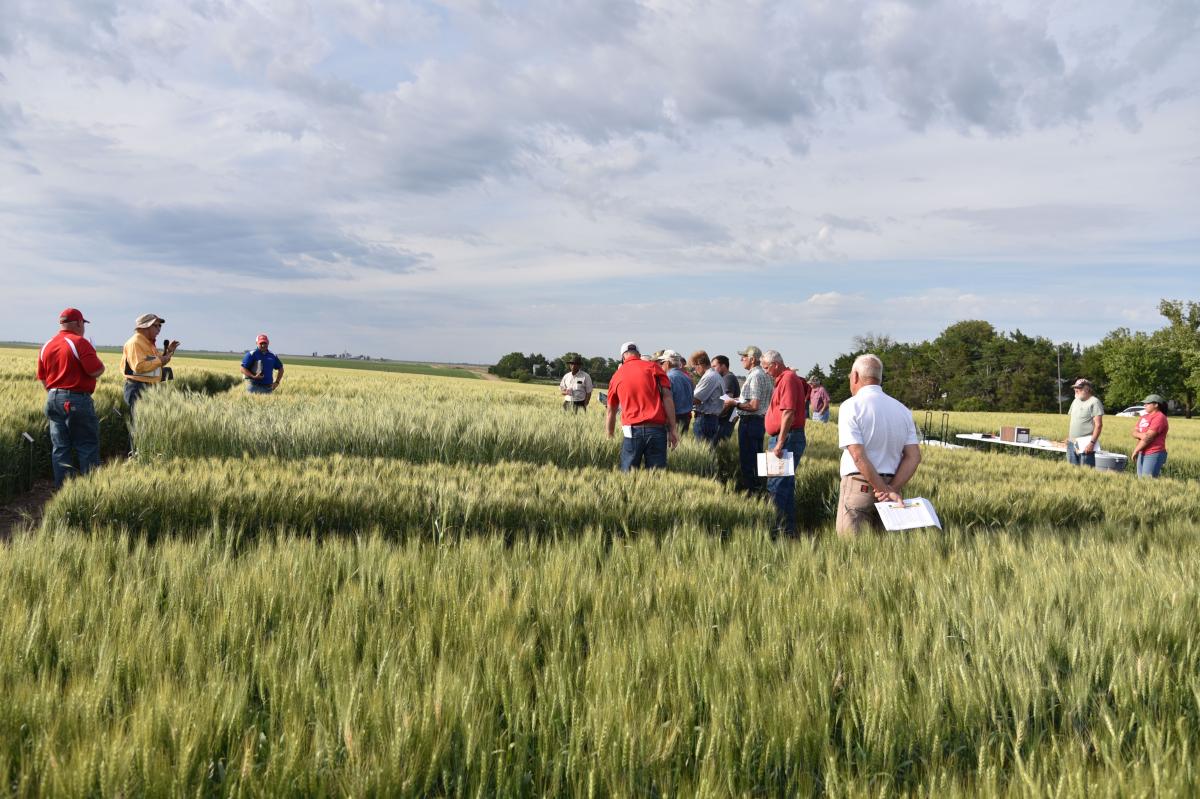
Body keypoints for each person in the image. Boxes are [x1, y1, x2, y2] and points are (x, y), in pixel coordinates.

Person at [836, 353, 922, 537]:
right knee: (885, 555)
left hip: (859, 486)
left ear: (856, 376)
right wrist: (891, 490)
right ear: (879, 378)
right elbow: (914, 456)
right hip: (892, 491)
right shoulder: (903, 410)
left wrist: (882, 489)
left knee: (851, 553)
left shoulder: (851, 406)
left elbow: (858, 456)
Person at [36, 308, 106, 488]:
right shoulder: (80, 343)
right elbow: (95, 370)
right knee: (86, 445)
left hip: (52, 399)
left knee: (60, 448)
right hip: (76, 400)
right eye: (83, 324)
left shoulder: (47, 345)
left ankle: (63, 492)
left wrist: (57, 394)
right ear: (78, 323)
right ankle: (90, 491)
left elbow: (43, 378)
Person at [606, 341, 679, 471]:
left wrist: (610, 434)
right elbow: (667, 397)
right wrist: (673, 428)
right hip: (657, 430)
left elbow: (611, 410)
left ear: (623, 357)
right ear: (639, 355)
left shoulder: (616, 376)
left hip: (632, 431)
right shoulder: (654, 368)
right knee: (656, 476)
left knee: (628, 476)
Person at [761, 349, 811, 537]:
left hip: (786, 438)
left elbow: (788, 411)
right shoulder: (785, 378)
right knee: (784, 486)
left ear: (775, 364)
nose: (765, 371)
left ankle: (777, 531)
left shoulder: (788, 378)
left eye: (766, 367)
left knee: (777, 487)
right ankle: (787, 531)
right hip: (785, 437)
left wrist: (780, 442)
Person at [733, 346, 772, 495]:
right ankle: (759, 490)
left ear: (752, 359)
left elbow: (754, 405)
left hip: (750, 422)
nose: (741, 359)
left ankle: (752, 493)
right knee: (757, 458)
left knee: (748, 461)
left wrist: (734, 403)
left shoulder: (755, 376)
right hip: (759, 422)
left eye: (744, 356)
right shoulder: (766, 375)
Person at [121, 313, 177, 417]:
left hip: (146, 386)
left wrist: (168, 352)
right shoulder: (136, 342)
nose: (159, 329)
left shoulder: (147, 343)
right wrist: (160, 360)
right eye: (155, 326)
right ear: (145, 326)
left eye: (160, 326)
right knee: (138, 425)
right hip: (137, 387)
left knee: (145, 423)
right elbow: (139, 367)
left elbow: (153, 363)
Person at [1065, 378, 1104, 467]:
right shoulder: (1075, 401)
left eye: (1079, 388)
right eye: (1075, 388)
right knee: (1072, 471)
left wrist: (1092, 443)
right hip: (1072, 442)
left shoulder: (1094, 402)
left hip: (1086, 443)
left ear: (1087, 389)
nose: (1076, 390)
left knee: (1085, 471)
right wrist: (1069, 437)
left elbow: (1099, 425)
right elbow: (1074, 422)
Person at [690, 350, 725, 445]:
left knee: (702, 454)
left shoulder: (709, 377)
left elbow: (696, 399)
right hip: (710, 419)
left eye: (694, 367)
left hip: (705, 419)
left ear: (700, 364)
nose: (695, 371)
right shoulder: (716, 375)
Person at [1131, 394, 1169, 478]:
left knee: (1147, 482)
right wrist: (1141, 435)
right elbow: (1134, 432)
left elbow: (1148, 438)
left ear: (1156, 405)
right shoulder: (1144, 417)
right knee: (1141, 481)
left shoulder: (1160, 417)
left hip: (1153, 453)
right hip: (1142, 452)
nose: (1144, 405)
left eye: (1147, 403)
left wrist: (1136, 450)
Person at [660, 351, 694, 435]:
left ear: (667, 363)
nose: (661, 365)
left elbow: (667, 401)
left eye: (662, 362)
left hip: (673, 419)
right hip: (686, 418)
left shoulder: (668, 378)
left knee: (672, 446)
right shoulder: (687, 377)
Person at [712, 355, 740, 440]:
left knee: (718, 448)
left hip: (724, 421)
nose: (713, 369)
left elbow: (727, 402)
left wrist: (717, 416)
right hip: (727, 420)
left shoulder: (727, 378)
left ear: (723, 366)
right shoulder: (727, 377)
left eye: (714, 366)